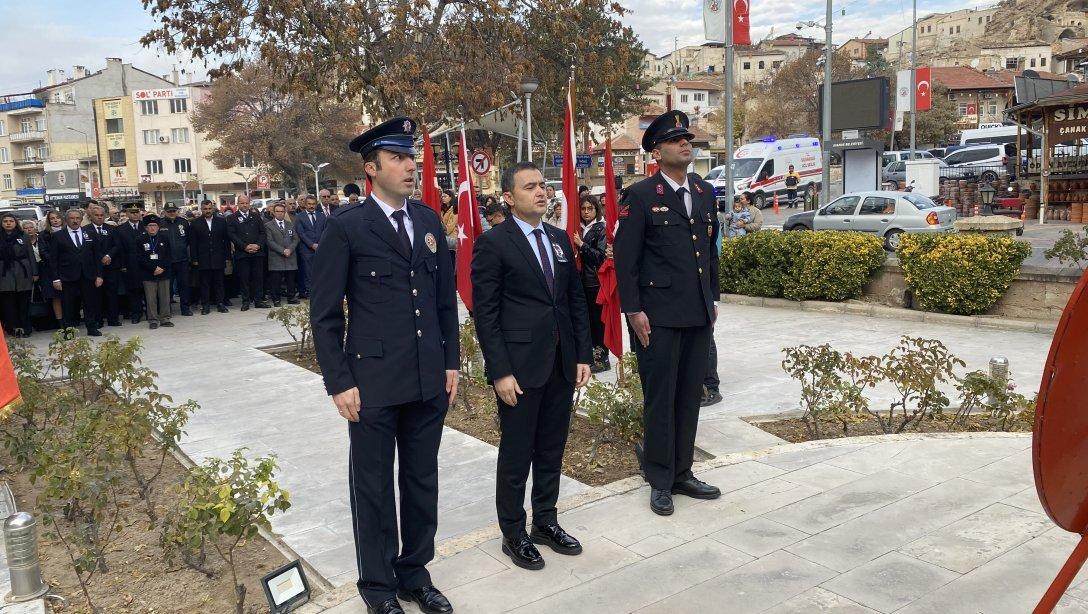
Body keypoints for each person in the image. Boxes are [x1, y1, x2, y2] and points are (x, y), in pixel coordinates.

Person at [311, 117, 459, 614]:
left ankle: (414, 573)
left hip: (425, 378)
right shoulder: (346, 227)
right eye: (398, 158)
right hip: (371, 383)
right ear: (371, 169)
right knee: (372, 488)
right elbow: (326, 314)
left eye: (411, 157)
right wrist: (339, 381)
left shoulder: (428, 222)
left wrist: (451, 364)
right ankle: (377, 587)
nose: (410, 166)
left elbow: (443, 303)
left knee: (421, 481)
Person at [471, 161, 592, 572]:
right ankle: (513, 532)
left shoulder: (559, 240)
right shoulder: (495, 243)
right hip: (519, 370)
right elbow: (484, 313)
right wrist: (500, 371)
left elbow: (574, 301)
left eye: (543, 185)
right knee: (517, 452)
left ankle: (545, 521)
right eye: (530, 187)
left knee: (553, 448)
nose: (542, 192)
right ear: (508, 197)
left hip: (559, 364)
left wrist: (582, 355)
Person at [614, 110, 721, 516]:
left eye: (687, 138)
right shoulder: (641, 196)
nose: (685, 143)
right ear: (656, 152)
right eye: (676, 140)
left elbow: (708, 253)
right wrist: (633, 311)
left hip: (695, 313)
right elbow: (627, 262)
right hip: (655, 317)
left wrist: (711, 299)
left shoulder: (703, 190)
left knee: (689, 396)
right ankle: (660, 479)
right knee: (661, 399)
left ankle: (682, 472)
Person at [48, 209, 103, 337]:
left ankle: (92, 327)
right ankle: (69, 330)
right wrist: (56, 279)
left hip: (88, 275)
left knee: (90, 303)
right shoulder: (58, 236)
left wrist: (99, 275)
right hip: (67, 276)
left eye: (77, 218)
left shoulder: (89, 233)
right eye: (72, 218)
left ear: (81, 219)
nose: (75, 221)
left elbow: (97, 256)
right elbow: (53, 259)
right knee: (68, 305)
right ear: (66, 220)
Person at [575, 194, 609, 372]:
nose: (586, 212)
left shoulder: (600, 229)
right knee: (586, 322)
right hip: (581, 282)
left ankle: (603, 358)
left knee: (598, 322)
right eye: (583, 209)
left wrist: (582, 245)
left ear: (596, 210)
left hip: (595, 282)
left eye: (590, 209)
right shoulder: (578, 228)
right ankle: (592, 356)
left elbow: (600, 256)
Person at [227, 194, 269, 310]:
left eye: (246, 203)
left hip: (257, 252)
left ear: (249, 203)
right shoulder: (232, 218)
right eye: (242, 203)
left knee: (258, 278)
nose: (245, 205)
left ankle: (258, 300)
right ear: (238, 204)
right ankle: (246, 301)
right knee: (244, 278)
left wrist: (258, 245)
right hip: (242, 253)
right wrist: (245, 246)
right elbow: (232, 235)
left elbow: (263, 233)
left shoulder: (256, 216)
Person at [84, 204, 123, 327]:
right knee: (96, 295)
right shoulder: (85, 230)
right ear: (91, 216)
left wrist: (108, 256)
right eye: (96, 215)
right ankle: (98, 320)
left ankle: (113, 319)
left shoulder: (112, 229)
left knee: (112, 293)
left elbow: (117, 245)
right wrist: (100, 257)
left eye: (102, 215)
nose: (99, 218)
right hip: (94, 268)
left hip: (111, 266)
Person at [190, 200, 232, 314]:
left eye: (209, 209)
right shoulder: (195, 223)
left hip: (218, 257)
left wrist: (228, 256)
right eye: (205, 209)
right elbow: (193, 243)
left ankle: (220, 304)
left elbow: (226, 241)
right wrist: (194, 259)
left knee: (219, 282)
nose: (208, 211)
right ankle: (206, 305)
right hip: (202, 258)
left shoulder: (221, 222)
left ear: (213, 209)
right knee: (204, 283)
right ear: (201, 209)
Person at [0, 212, 37, 337]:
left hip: (22, 271)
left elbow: (30, 254)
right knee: (8, 302)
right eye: (6, 221)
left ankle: (26, 328)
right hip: (4, 272)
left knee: (23, 302)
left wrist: (35, 272)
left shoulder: (23, 236)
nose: (8, 223)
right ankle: (13, 328)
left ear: (16, 223)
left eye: (11, 221)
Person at [137, 215, 174, 329]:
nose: (152, 228)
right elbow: (140, 258)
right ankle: (153, 319)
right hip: (148, 274)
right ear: (146, 228)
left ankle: (165, 318)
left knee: (165, 297)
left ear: (158, 227)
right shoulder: (140, 240)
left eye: (155, 225)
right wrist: (153, 268)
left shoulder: (164, 238)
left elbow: (169, 255)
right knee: (150, 298)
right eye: (150, 226)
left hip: (164, 272)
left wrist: (161, 267)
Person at [160, 203, 194, 316]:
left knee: (184, 285)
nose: (172, 213)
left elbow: (189, 240)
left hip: (182, 260)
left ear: (177, 211)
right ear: (165, 212)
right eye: (169, 211)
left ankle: (185, 308)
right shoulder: (160, 223)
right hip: (167, 261)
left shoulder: (183, 222)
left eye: (173, 211)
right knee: (167, 288)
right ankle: (167, 310)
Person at [265, 202, 300, 307]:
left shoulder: (290, 224)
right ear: (273, 212)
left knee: (291, 279)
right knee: (276, 280)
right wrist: (282, 250)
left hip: (290, 255)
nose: (280, 213)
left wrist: (290, 249)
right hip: (276, 256)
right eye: (277, 211)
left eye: (282, 211)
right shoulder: (268, 226)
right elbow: (269, 241)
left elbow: (295, 238)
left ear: (284, 212)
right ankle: (276, 299)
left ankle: (291, 297)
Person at [116, 205, 146, 323]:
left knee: (147, 289)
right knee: (133, 290)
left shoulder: (146, 226)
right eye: (132, 212)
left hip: (145, 264)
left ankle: (150, 313)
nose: (135, 214)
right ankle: (136, 313)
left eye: (137, 212)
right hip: (130, 264)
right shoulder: (120, 229)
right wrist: (123, 265)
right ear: (127, 214)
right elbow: (120, 249)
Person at [294, 195, 325, 299]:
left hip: (320, 249)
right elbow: (301, 233)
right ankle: (310, 293)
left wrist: (320, 244)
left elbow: (325, 231)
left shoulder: (321, 216)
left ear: (316, 204)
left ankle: (320, 292)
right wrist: (312, 244)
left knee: (320, 272)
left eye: (313, 204)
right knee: (308, 273)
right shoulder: (299, 216)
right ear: (305, 204)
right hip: (306, 250)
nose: (311, 206)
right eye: (309, 204)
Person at [39, 210, 65, 327]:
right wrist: (56, 261)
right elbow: (43, 253)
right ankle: (60, 323)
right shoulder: (44, 235)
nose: (55, 220)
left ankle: (71, 319)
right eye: (52, 218)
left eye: (57, 218)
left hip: (68, 268)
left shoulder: (68, 232)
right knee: (56, 297)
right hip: (52, 270)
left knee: (68, 296)